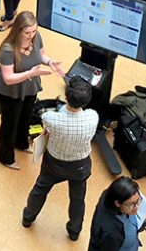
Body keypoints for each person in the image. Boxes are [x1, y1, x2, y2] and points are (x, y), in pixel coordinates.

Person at [23, 79, 97, 239]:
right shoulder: (93, 117)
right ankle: (74, 231)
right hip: (80, 166)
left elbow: (46, 129)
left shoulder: (50, 118)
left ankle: (28, 217)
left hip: (54, 163)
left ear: (66, 95)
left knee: (40, 189)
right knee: (78, 199)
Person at [0, 11, 65, 170]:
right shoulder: (8, 49)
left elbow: (41, 55)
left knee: (25, 117)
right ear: (18, 30)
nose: (31, 35)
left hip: (29, 87)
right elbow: (8, 78)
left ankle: (21, 143)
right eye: (27, 32)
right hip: (10, 92)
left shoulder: (37, 37)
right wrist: (31, 73)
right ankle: (5, 156)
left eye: (34, 31)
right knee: (10, 123)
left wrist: (50, 61)